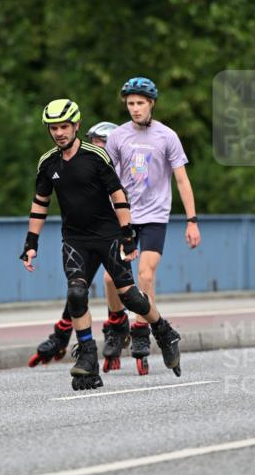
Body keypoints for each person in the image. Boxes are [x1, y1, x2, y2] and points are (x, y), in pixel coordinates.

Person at [20, 99, 182, 391]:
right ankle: (87, 358)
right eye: (53, 128)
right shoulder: (48, 163)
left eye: (64, 127)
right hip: (74, 239)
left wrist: (127, 234)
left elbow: (118, 194)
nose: (59, 133)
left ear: (76, 126)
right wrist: (31, 243)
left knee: (131, 298)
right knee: (76, 293)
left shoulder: (96, 156)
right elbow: (40, 203)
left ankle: (163, 330)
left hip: (107, 237)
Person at [102, 76, 201, 375]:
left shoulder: (167, 136)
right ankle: (117, 324)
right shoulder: (118, 136)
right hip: (125, 217)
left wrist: (192, 221)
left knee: (145, 274)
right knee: (110, 279)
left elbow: (181, 180)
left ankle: (141, 329)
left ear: (151, 104)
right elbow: (107, 178)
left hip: (155, 217)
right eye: (130, 103)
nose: (135, 108)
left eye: (140, 103)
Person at [26, 120, 119, 368]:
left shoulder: (115, 166)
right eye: (94, 141)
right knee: (78, 287)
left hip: (116, 231)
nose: (97, 146)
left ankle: (120, 328)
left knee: (117, 281)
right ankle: (63, 335)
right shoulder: (85, 161)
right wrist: (31, 241)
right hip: (85, 234)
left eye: (103, 142)